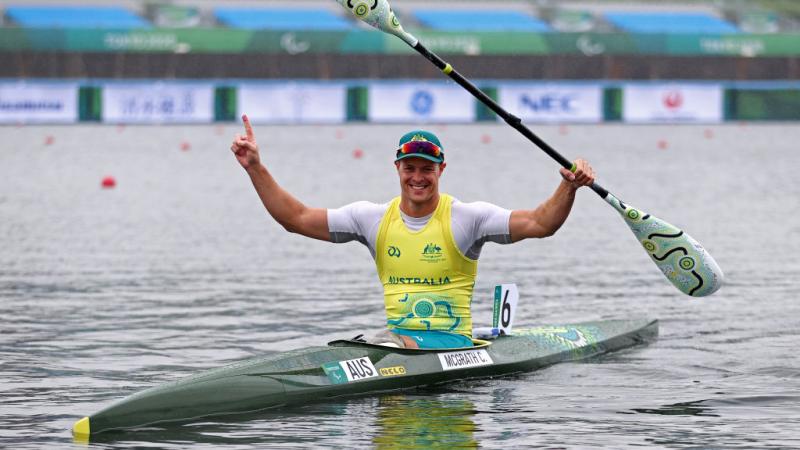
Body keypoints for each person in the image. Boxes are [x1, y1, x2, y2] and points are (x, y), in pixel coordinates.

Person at [231, 115, 595, 350]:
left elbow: (540, 224)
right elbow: (295, 218)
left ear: (441, 170)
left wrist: (569, 187)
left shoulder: (468, 218)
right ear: (397, 168)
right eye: (410, 168)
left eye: (427, 169)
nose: (417, 177)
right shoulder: (370, 218)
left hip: (450, 346)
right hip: (399, 345)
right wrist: (255, 169)